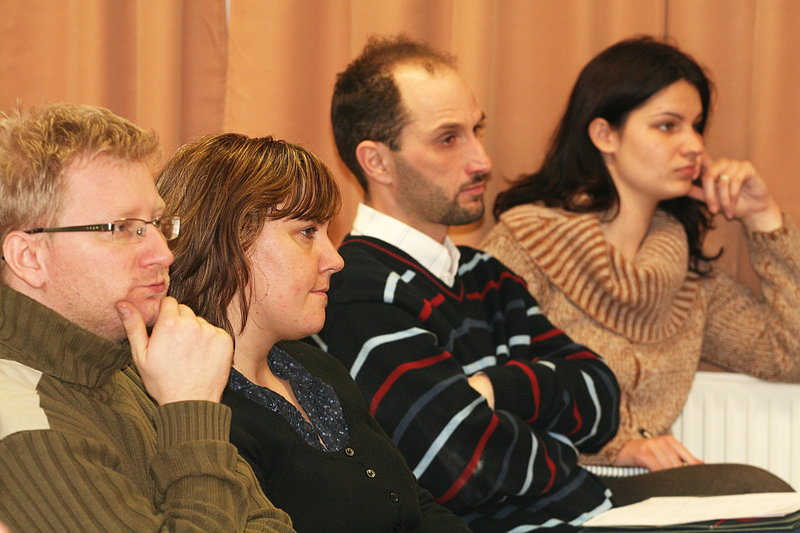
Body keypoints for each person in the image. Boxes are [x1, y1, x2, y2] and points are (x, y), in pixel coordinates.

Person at [314, 35, 621, 531]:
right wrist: (559, 444)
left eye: (476, 130)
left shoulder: (486, 274)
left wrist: (498, 388)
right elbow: (462, 467)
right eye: (448, 138)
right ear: (377, 162)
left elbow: (602, 399)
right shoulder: (355, 290)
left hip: (593, 514)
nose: (482, 161)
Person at [483, 36, 799, 497]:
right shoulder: (523, 244)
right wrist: (615, 447)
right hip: (539, 483)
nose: (694, 146)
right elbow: (480, 385)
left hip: (639, 492)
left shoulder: (687, 276)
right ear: (604, 135)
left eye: (696, 126)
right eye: (668, 126)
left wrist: (762, 218)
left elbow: (788, 355)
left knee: (765, 498)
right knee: (752, 490)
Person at [0, 104, 294, 532]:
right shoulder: (19, 420)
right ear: (29, 257)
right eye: (122, 228)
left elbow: (271, 524)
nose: (163, 254)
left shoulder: (124, 363)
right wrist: (192, 410)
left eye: (156, 223)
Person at [157, 133, 471, 533]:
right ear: (229, 243)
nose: (335, 259)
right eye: (307, 231)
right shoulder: (199, 410)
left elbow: (415, 505)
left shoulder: (316, 367)